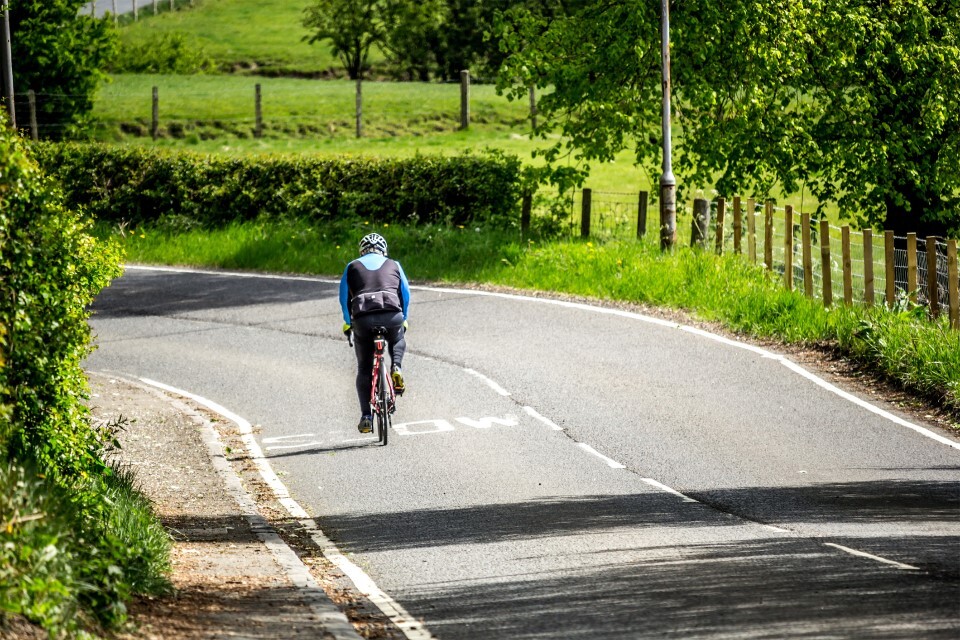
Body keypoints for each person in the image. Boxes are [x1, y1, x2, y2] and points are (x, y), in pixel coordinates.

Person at [339, 232, 411, 433]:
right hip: (391, 315)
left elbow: (343, 297)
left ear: (362, 251)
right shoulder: (394, 264)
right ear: (383, 250)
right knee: (397, 338)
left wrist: (348, 323)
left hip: (363, 318)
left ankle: (366, 416)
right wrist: (404, 318)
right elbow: (405, 293)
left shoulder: (351, 266)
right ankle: (396, 367)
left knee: (364, 367)